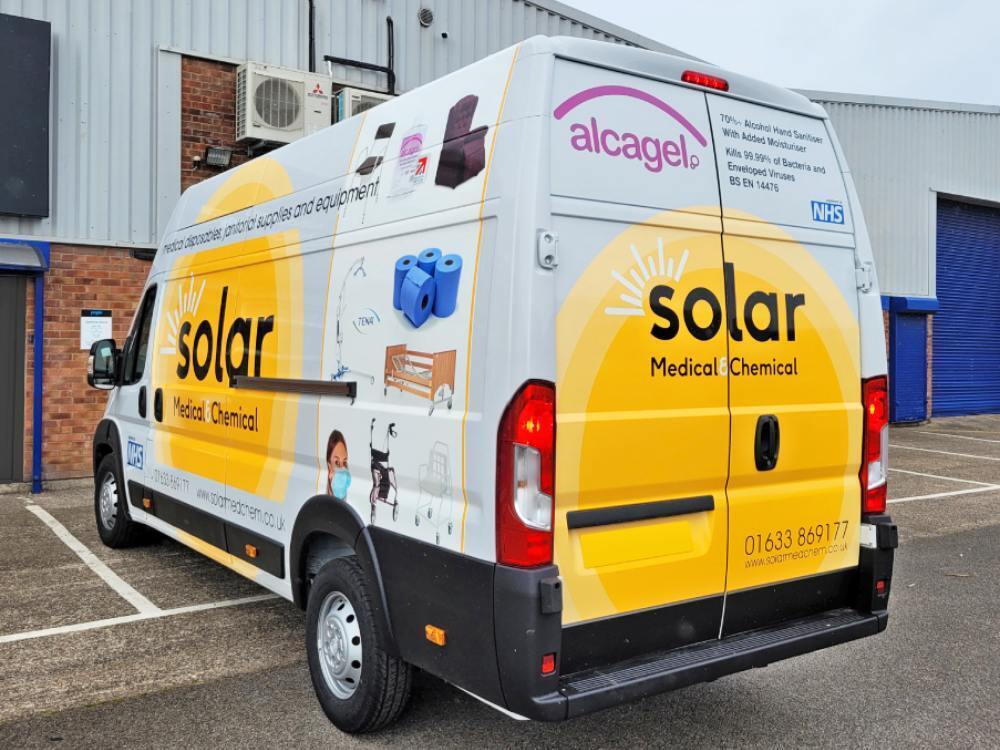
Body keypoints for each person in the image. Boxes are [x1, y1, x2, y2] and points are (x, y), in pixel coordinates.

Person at [326, 429, 351, 500]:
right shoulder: (318, 504)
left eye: (344, 463)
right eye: (337, 462)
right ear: (329, 466)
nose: (342, 468)